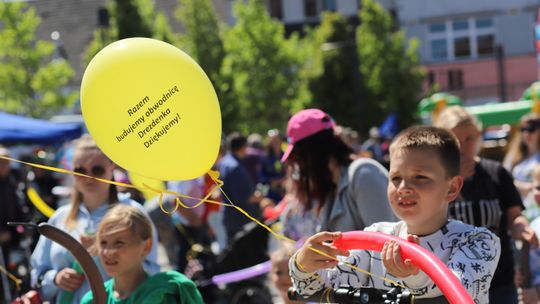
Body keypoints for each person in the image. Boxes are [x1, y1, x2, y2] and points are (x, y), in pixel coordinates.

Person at [290, 126, 501, 302]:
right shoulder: (374, 238)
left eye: (420, 177)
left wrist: (415, 276)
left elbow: (456, 291)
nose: (404, 188)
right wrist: (304, 264)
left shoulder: (479, 242)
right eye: (396, 178)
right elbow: (318, 287)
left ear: (452, 188)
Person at [30, 134, 160, 304]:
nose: (89, 177)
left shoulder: (133, 213)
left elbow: (153, 272)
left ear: (112, 167)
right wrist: (56, 278)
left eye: (97, 170)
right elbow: (37, 273)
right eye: (80, 171)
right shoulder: (60, 217)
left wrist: (107, 250)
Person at [435, 106, 537, 304]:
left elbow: (514, 215)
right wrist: (452, 181)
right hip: (453, 285)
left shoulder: (495, 172)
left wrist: (522, 228)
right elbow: (428, 220)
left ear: (478, 136)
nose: (463, 147)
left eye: (469, 139)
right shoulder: (436, 180)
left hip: (500, 282)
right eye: (456, 141)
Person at [281, 108, 395, 234]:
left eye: (298, 158)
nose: (298, 167)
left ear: (313, 152)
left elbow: (387, 242)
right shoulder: (332, 189)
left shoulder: (363, 174)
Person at [81, 204, 203, 303]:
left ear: (146, 246)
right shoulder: (93, 300)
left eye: (119, 243)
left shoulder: (163, 295)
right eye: (103, 243)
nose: (108, 252)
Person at [218, 132, 262, 240]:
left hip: (230, 217)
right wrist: (259, 198)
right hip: (240, 220)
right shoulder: (235, 167)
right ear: (243, 147)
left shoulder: (224, 163)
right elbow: (241, 197)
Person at [504, 113, 540, 198]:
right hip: (518, 205)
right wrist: (522, 186)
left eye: (531, 129)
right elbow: (503, 178)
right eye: (523, 129)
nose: (526, 133)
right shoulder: (513, 156)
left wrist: (532, 188)